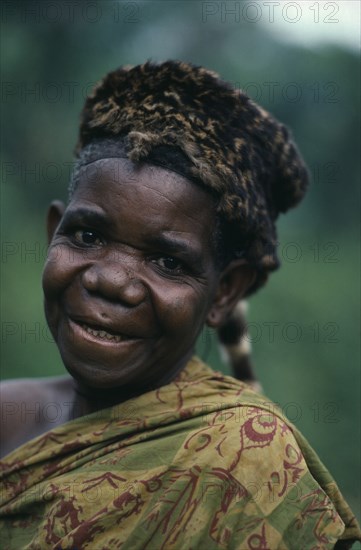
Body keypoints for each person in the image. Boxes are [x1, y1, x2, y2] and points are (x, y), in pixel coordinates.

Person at [0, 61, 360, 549]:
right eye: (87, 235)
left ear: (225, 292)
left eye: (168, 262)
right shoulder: (7, 414)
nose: (112, 282)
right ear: (52, 234)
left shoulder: (245, 462)